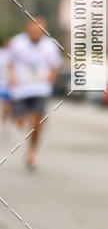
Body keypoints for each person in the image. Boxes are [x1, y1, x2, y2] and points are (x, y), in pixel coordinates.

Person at [6, 17, 62, 169]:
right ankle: (22, 117)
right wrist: (12, 77)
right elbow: (9, 64)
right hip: (20, 89)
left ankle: (32, 152)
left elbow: (54, 66)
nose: (36, 34)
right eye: (34, 31)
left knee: (37, 123)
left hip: (40, 88)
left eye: (39, 31)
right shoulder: (17, 43)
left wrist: (51, 78)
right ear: (28, 30)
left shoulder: (50, 45)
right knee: (21, 123)